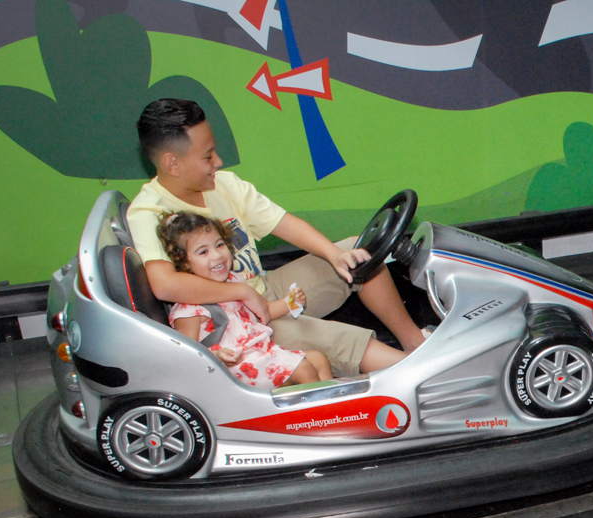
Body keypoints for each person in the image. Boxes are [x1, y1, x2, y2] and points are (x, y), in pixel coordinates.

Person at [127, 98, 426, 378]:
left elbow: (283, 222)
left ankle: (415, 342)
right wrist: (242, 293)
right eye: (208, 157)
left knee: (357, 253)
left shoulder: (224, 185)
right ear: (173, 164)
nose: (218, 162)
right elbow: (164, 284)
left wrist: (334, 255)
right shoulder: (149, 210)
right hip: (238, 321)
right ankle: (424, 370)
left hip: (265, 288)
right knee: (343, 341)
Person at [159, 212, 332, 388]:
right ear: (184, 263)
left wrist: (289, 303)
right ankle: (317, 413)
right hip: (236, 368)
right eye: (203, 252)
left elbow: (262, 312)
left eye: (219, 245)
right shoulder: (189, 309)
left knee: (318, 359)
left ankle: (334, 408)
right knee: (303, 369)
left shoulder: (233, 282)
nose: (217, 255)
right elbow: (186, 353)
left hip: (260, 353)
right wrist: (217, 355)